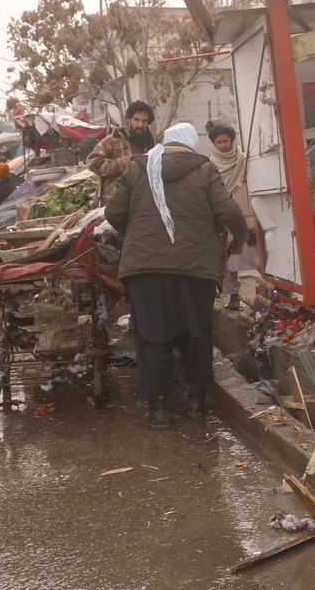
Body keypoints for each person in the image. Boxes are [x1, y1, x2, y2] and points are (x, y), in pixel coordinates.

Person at [105, 123, 249, 429]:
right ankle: (196, 400)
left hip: (146, 269)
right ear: (190, 145)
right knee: (196, 333)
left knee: (151, 336)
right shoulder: (204, 169)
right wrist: (240, 238)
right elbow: (228, 210)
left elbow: (114, 214)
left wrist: (139, 234)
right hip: (195, 267)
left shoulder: (137, 169)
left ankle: (157, 410)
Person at [206, 123, 258, 311]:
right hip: (225, 215)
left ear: (232, 141)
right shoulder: (210, 164)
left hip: (249, 213)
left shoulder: (243, 159)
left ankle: (274, 290)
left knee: (260, 255)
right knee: (229, 260)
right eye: (218, 142)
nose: (222, 145)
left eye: (225, 141)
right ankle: (234, 297)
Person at [86, 101, 157, 204]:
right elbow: (92, 162)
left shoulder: (149, 146)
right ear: (129, 120)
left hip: (139, 201)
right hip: (113, 203)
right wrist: (120, 164)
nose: (140, 125)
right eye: (136, 120)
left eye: (144, 121)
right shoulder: (114, 140)